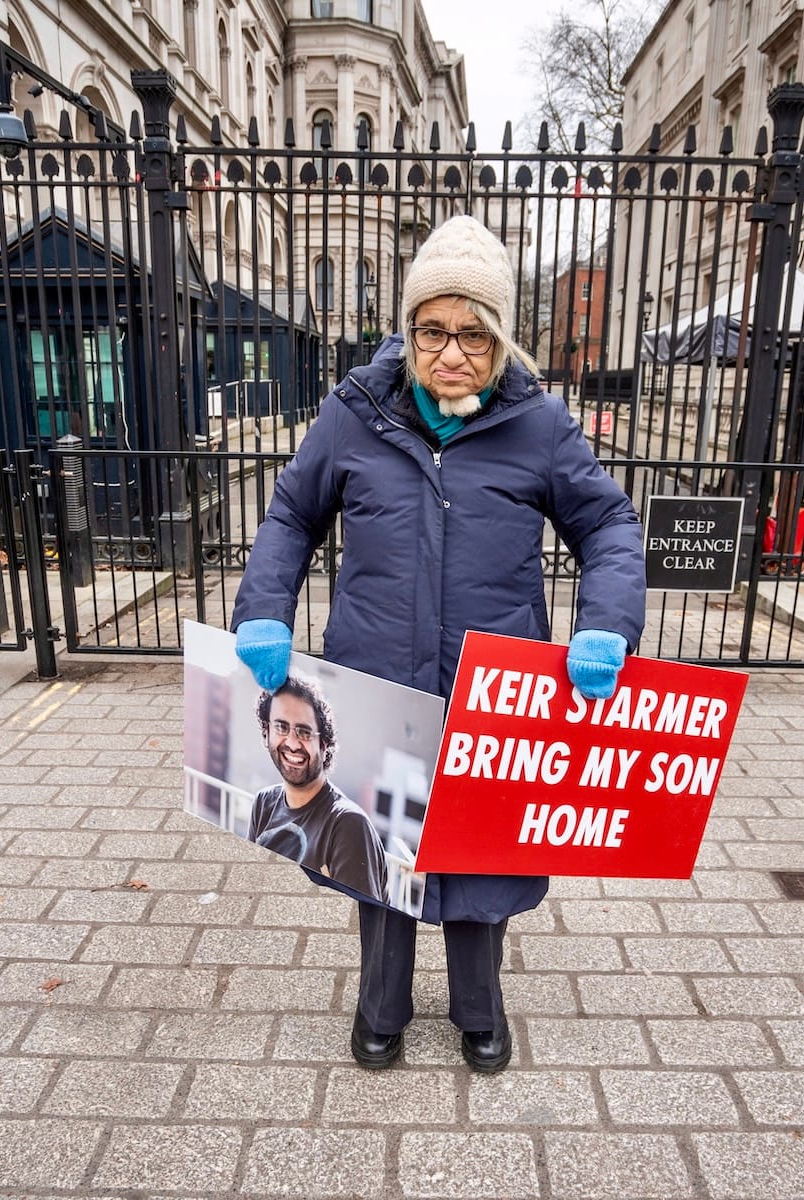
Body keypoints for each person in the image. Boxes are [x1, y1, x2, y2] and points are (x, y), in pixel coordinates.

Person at [231, 214, 645, 1074]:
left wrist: (605, 624)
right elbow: (291, 514)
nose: (450, 353)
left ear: (499, 341)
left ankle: (476, 1009)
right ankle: (380, 1006)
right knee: (379, 851)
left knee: (481, 859)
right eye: (433, 330)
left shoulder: (539, 426)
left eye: (473, 334)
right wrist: (265, 608)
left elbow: (607, 523)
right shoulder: (354, 413)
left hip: (492, 689)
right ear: (408, 328)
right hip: (377, 678)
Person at [247, 675, 388, 904]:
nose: (292, 743)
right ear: (266, 733)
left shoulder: (347, 824)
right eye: (281, 727)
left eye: (304, 732)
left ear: (324, 744)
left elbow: (356, 921)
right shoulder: (263, 802)